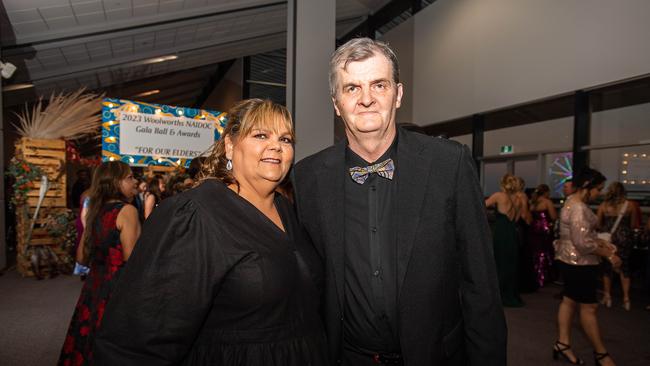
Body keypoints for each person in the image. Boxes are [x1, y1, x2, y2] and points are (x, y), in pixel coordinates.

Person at [293, 38, 506, 366]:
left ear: (398, 94)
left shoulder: (448, 163)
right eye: (351, 88)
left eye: (379, 84)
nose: (366, 99)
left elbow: (481, 283)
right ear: (336, 103)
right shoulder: (308, 177)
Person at [94, 99, 328, 365]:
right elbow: (140, 336)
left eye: (285, 139)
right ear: (230, 145)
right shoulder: (195, 214)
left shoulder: (289, 210)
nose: (276, 146)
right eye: (261, 135)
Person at [58, 161, 141, 365]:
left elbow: (81, 258)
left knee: (89, 334)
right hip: (118, 287)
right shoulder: (127, 211)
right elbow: (132, 260)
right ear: (115, 182)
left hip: (94, 285)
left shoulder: (96, 209)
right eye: (129, 177)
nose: (135, 181)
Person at [554, 168, 620, 366]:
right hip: (580, 264)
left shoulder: (571, 201)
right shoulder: (579, 208)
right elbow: (582, 243)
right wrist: (609, 254)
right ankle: (601, 355)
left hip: (569, 260)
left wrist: (601, 243)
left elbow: (577, 237)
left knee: (568, 301)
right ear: (586, 187)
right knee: (589, 308)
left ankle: (562, 344)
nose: (599, 193)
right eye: (598, 189)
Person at [597, 181, 638, 311]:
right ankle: (626, 299)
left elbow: (598, 224)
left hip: (608, 240)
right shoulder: (630, 205)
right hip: (625, 238)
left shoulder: (603, 206)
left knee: (607, 268)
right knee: (624, 268)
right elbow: (632, 225)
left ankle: (607, 296)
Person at [485, 174, 525, 307]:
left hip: (501, 233)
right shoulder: (518, 200)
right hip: (512, 232)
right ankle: (510, 294)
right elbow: (518, 219)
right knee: (510, 264)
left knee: (499, 262)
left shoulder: (499, 196)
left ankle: (498, 295)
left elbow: (480, 205)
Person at [528, 184, 558, 288]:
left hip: (534, 229)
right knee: (546, 252)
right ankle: (544, 276)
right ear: (546, 192)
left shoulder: (532, 202)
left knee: (535, 252)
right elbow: (554, 216)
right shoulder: (547, 202)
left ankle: (536, 275)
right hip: (544, 229)